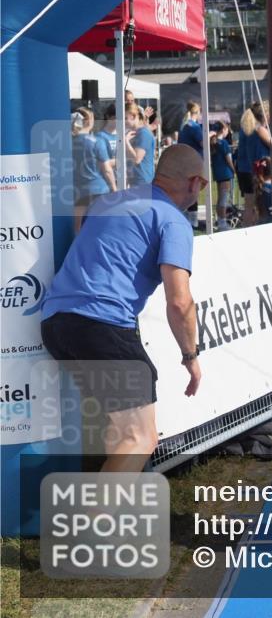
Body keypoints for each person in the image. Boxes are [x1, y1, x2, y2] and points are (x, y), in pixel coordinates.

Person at [40, 145, 205, 472]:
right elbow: (180, 301)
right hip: (103, 326)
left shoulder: (108, 201)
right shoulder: (173, 221)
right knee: (139, 438)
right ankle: (93, 523)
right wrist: (191, 356)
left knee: (120, 431)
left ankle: (115, 518)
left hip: (55, 325)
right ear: (195, 182)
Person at [71, 108, 111, 234]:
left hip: (76, 192)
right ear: (89, 121)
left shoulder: (66, 142)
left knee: (78, 230)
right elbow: (107, 170)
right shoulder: (96, 141)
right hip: (98, 190)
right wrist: (115, 188)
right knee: (101, 229)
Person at [236, 101, 272, 226]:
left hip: (245, 169)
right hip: (256, 170)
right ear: (266, 115)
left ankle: (247, 228)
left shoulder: (247, 127)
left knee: (249, 205)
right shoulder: (259, 128)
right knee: (257, 205)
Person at [210, 122, 236, 231]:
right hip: (226, 173)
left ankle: (220, 221)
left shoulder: (213, 143)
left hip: (217, 174)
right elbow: (228, 159)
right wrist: (234, 170)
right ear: (223, 130)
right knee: (224, 199)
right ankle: (223, 223)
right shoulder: (224, 143)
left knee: (220, 198)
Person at [124, 103, 156, 187]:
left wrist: (126, 142)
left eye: (125, 118)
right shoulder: (133, 133)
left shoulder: (143, 133)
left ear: (133, 116)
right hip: (135, 180)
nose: (123, 122)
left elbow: (137, 159)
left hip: (142, 182)